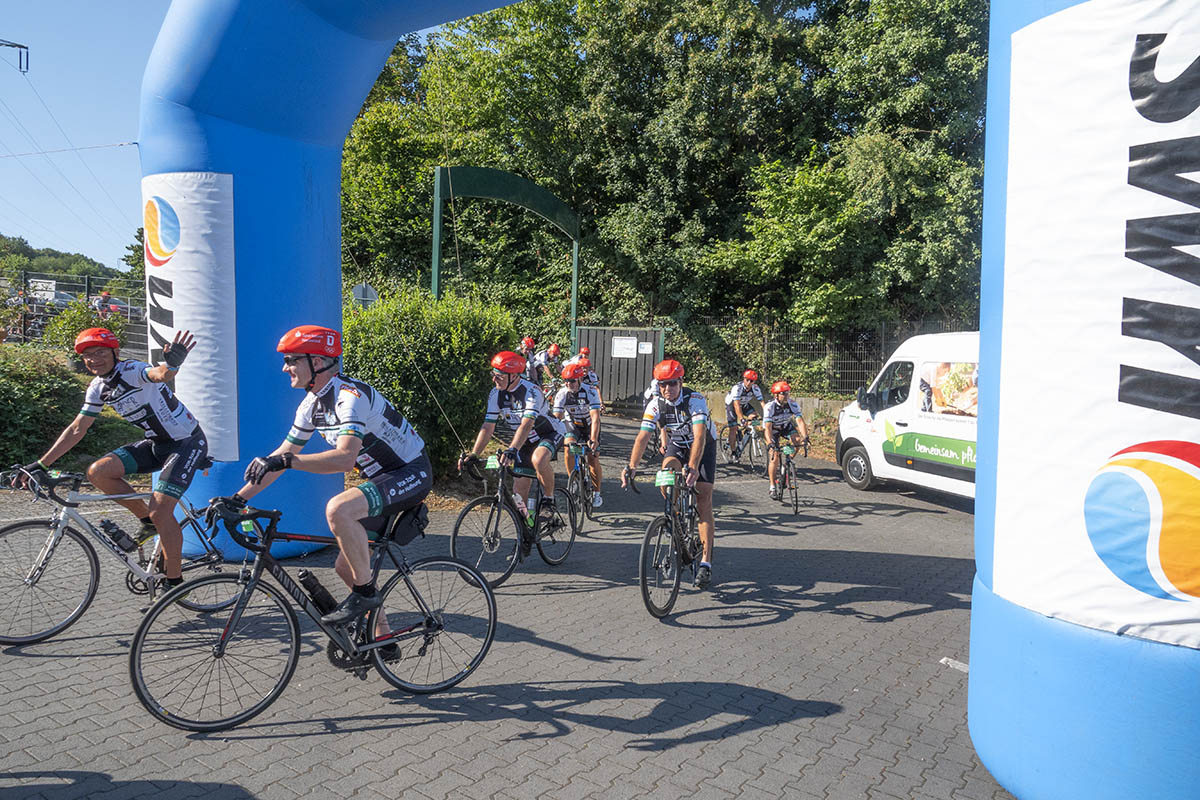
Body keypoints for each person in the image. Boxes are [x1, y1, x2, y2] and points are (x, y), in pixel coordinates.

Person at [227, 325, 432, 628]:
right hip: (383, 479)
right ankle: (384, 638)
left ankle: (364, 595)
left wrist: (286, 460)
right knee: (344, 566)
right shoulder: (311, 405)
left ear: (318, 362)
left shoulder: (349, 397)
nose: (285, 368)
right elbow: (282, 458)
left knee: (338, 508)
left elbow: (345, 458)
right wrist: (236, 499)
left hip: (410, 472)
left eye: (292, 360)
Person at [20, 327, 201, 585]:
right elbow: (77, 428)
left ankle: (174, 581)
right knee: (98, 472)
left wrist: (172, 364)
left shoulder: (132, 371)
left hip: (186, 443)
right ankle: (147, 521)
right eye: (88, 355)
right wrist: (41, 464)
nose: (94, 359)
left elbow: (160, 374)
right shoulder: (97, 388)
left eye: (101, 353)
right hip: (157, 443)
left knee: (162, 512)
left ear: (115, 353)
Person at [620, 359, 718, 588]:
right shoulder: (655, 404)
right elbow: (643, 437)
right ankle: (676, 524)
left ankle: (706, 562)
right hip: (677, 445)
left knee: (703, 497)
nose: (667, 389)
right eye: (662, 384)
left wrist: (693, 466)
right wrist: (631, 466)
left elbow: (700, 436)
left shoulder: (695, 400)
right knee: (665, 479)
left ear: (681, 382)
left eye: (672, 384)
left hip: (701, 446)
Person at [459, 350, 566, 554]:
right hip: (523, 442)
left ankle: (549, 501)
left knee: (538, 458)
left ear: (514, 376)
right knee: (519, 492)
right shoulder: (495, 394)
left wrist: (511, 449)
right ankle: (525, 531)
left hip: (549, 433)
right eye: (493, 374)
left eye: (499, 375)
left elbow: (527, 424)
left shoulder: (531, 391)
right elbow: (488, 426)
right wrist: (473, 454)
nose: (494, 378)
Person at [552, 362, 604, 508]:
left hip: (589, 426)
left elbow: (595, 418)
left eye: (573, 381)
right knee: (567, 447)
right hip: (573, 424)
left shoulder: (591, 391)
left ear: (580, 379)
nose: (569, 384)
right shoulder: (561, 394)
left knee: (593, 458)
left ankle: (596, 492)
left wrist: (593, 439)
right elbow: (556, 417)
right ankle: (573, 480)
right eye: (566, 381)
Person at [763, 381, 810, 500]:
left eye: (787, 393)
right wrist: (770, 443)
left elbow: (799, 421)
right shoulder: (770, 407)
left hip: (785, 426)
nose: (786, 396)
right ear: (776, 395)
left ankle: (786, 464)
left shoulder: (792, 404)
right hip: (773, 429)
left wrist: (806, 437)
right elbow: (767, 428)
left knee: (798, 441)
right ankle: (772, 486)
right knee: (774, 457)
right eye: (783, 394)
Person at [724, 369, 764, 456]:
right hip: (732, 404)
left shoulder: (755, 388)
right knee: (733, 428)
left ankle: (746, 431)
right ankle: (734, 452)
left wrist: (768, 416)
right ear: (744, 379)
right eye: (747, 380)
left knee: (754, 416)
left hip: (744, 403)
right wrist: (742, 419)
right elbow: (736, 405)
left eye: (752, 381)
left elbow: (762, 403)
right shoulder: (737, 388)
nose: (749, 382)